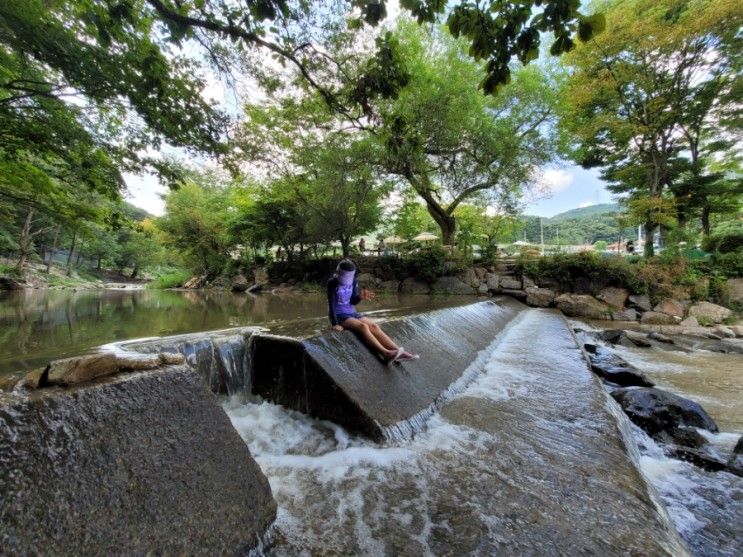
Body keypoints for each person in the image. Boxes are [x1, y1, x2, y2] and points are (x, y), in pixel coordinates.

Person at [327, 259, 418, 364]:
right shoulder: (332, 283)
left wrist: (360, 297)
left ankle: (398, 352)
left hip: (351, 312)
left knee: (374, 326)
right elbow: (331, 304)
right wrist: (334, 324)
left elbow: (353, 301)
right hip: (339, 315)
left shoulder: (354, 281)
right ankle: (386, 354)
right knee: (363, 327)